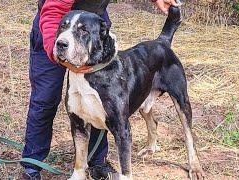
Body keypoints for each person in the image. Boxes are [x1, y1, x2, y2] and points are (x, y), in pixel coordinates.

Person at [21, 0, 181, 179]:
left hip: (93, 25)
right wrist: (57, 53)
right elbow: (53, 11)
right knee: (45, 98)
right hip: (54, 28)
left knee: (103, 98)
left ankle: (97, 162)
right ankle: (32, 165)